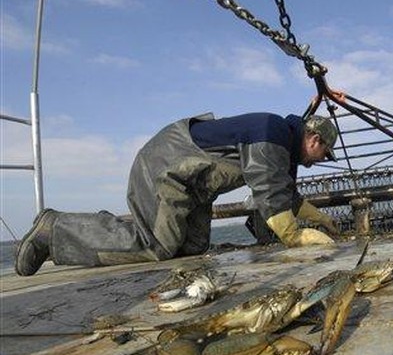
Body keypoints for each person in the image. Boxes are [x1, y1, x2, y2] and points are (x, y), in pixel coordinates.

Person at [15, 112, 340, 276]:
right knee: (156, 245)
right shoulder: (274, 134)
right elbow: (271, 197)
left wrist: (322, 218)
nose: (320, 161)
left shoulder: (282, 144)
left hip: (194, 188)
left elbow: (286, 195)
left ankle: (102, 227)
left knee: (192, 249)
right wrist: (296, 238)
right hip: (167, 167)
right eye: (324, 155)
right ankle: (55, 230)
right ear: (315, 140)